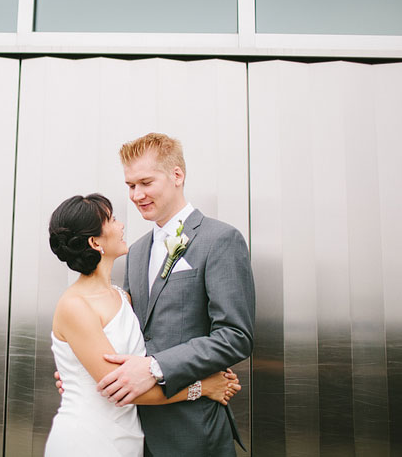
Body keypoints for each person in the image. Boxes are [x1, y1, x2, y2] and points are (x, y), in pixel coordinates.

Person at [93, 132, 256, 456]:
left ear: (177, 175)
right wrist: (86, 367)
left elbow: (236, 335)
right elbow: (128, 330)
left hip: (193, 432)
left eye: (145, 182)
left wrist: (155, 366)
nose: (136, 194)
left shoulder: (220, 239)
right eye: (130, 186)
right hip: (131, 430)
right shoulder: (136, 252)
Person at [45, 193, 241, 457]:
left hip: (130, 437)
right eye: (112, 220)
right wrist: (203, 387)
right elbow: (121, 389)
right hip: (88, 439)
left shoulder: (123, 297)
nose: (121, 225)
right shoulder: (75, 305)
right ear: (94, 242)